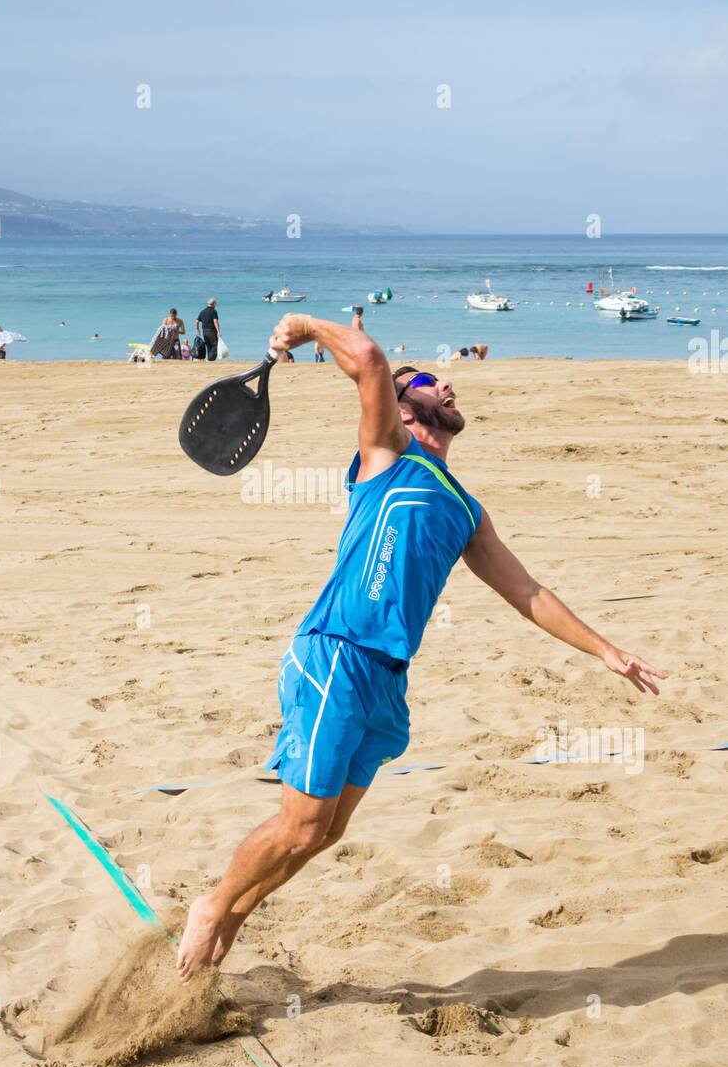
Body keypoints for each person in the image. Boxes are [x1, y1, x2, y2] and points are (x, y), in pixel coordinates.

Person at [175, 316, 665, 981]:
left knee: (326, 833)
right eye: (434, 380)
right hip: (336, 656)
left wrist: (605, 650)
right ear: (405, 407)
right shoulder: (386, 454)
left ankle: (234, 913)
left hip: (385, 678)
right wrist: (309, 328)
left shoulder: (464, 506)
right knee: (299, 826)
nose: (451, 382)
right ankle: (209, 907)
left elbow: (526, 591)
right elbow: (370, 359)